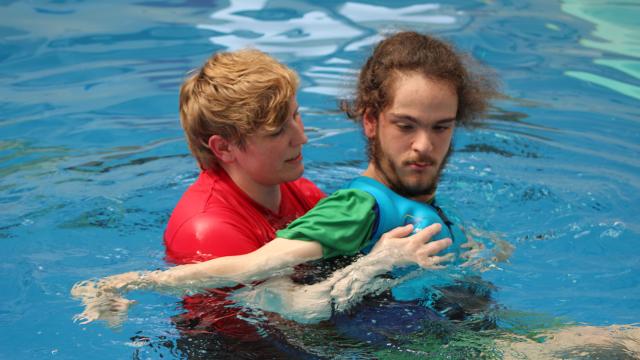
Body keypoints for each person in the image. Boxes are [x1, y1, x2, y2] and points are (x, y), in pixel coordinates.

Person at [72, 31, 496, 326]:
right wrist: (125, 283)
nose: (303, 137)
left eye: (296, 115)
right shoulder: (209, 231)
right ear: (224, 148)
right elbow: (297, 309)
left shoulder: (292, 184)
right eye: (278, 132)